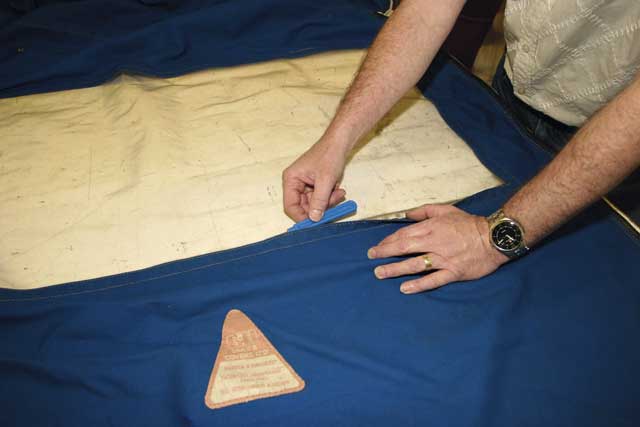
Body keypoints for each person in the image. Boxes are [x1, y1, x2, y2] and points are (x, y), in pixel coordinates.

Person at [282, 0, 640, 294]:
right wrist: (336, 139)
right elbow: (427, 11)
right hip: (521, 88)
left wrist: (491, 240)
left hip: (620, 151)